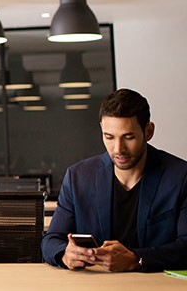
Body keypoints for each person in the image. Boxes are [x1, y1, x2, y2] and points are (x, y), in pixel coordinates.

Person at [42, 88, 187, 273]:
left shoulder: (181, 177)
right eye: (109, 137)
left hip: (158, 289)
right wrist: (65, 254)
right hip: (96, 288)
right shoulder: (78, 177)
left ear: (148, 131)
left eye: (129, 137)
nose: (118, 149)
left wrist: (136, 259)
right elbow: (51, 240)